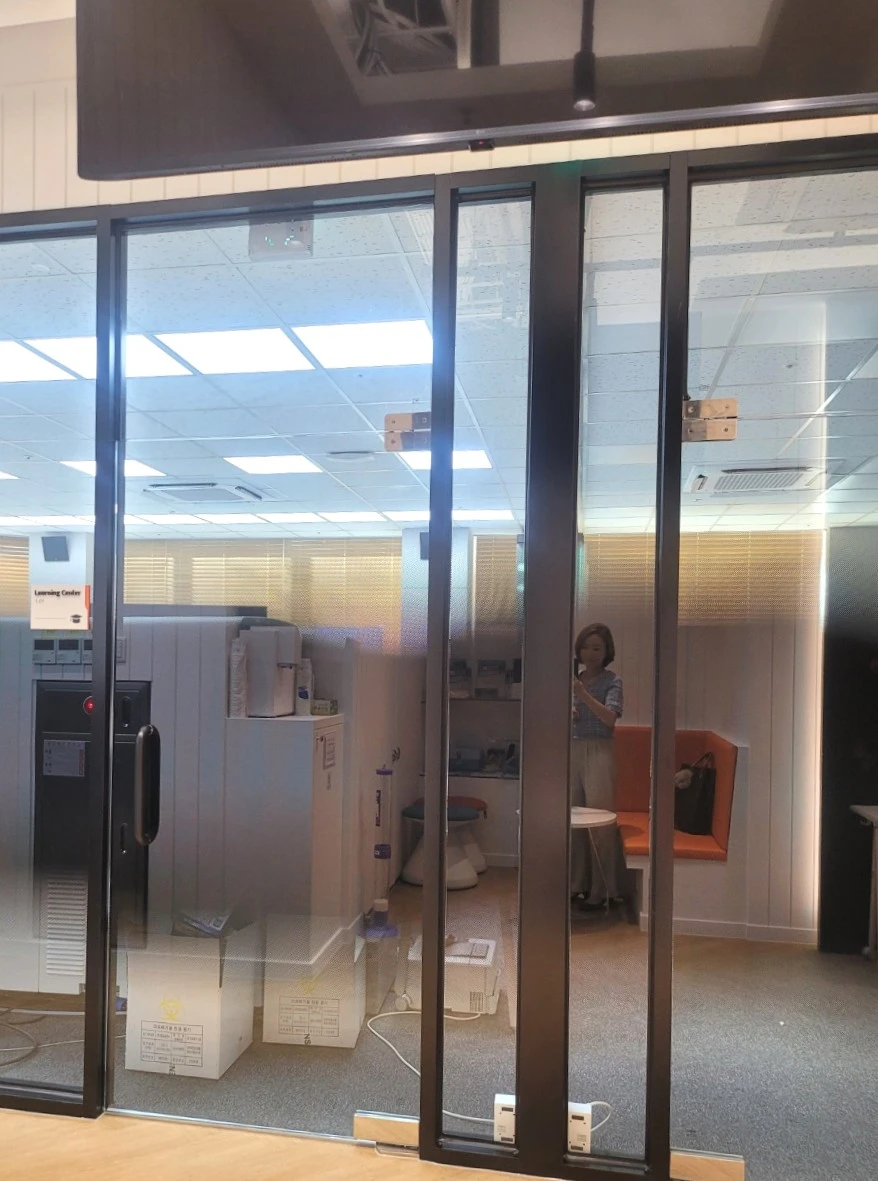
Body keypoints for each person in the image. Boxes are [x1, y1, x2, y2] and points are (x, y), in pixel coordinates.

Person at [570, 622, 630, 908]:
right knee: (572, 820)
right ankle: (576, 883)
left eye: (596, 648)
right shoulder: (575, 679)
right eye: (585, 647)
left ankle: (603, 889)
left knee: (599, 821)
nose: (590, 653)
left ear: (607, 652)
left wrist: (582, 695)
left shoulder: (612, 681)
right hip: (572, 748)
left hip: (599, 751)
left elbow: (609, 719)